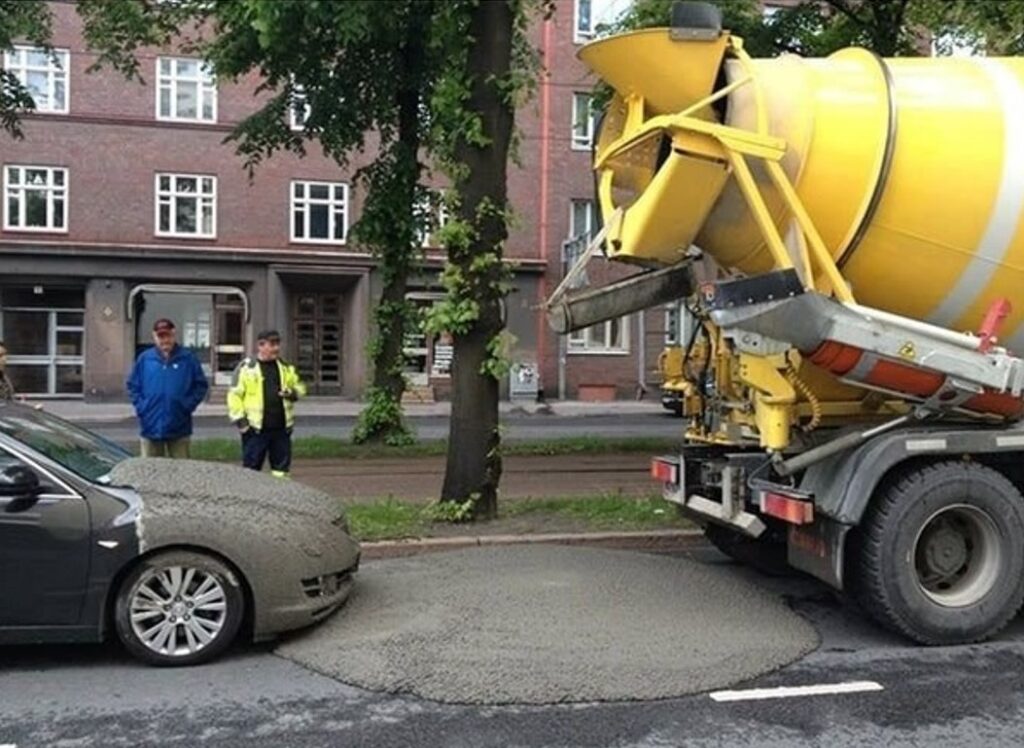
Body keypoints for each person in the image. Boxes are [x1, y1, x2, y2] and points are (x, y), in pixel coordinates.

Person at [226, 329, 307, 478]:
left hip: (281, 430)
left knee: (281, 471)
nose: (277, 348)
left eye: (278, 344)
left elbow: (300, 387)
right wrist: (242, 423)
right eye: (272, 344)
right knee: (251, 471)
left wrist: (292, 393)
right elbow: (234, 396)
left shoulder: (286, 367)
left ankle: (280, 492)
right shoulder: (246, 368)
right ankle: (251, 493)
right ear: (260, 345)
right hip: (255, 431)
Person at [126, 318, 209, 458]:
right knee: (150, 468)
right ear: (154, 336)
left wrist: (186, 405)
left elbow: (200, 385)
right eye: (161, 336)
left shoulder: (188, 359)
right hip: (150, 426)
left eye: (168, 335)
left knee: (180, 468)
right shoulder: (145, 359)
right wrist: (142, 407)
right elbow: (133, 385)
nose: (165, 340)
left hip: (179, 426)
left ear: (174, 334)